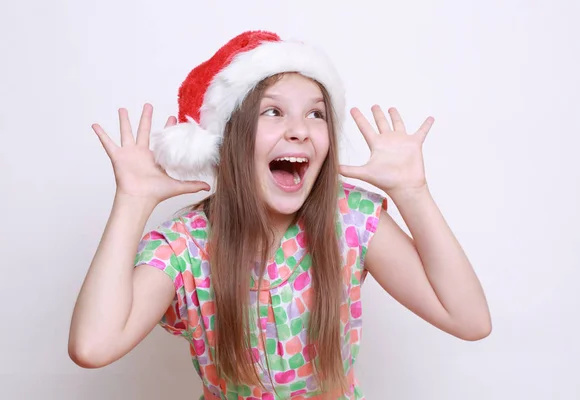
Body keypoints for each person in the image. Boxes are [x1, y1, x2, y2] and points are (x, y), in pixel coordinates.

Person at [68, 30, 491, 400]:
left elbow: (470, 320)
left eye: (316, 113)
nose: (300, 129)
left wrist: (412, 193)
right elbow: (92, 347)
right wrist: (132, 201)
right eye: (273, 111)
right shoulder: (188, 245)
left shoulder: (349, 219)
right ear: (228, 136)